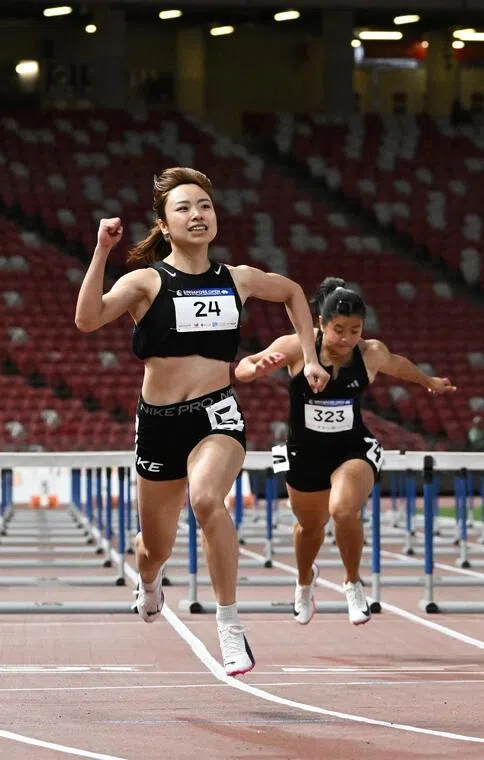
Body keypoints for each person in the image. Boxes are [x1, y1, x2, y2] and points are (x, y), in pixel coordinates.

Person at [74, 167, 328, 677]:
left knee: (208, 499)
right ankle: (149, 582)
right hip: (159, 422)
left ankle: (229, 627)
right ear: (165, 226)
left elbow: (296, 292)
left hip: (216, 412)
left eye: (205, 206)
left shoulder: (237, 279)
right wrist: (102, 250)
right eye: (184, 208)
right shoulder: (146, 280)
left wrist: (312, 357)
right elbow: (87, 318)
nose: (197, 215)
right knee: (154, 547)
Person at [235, 277, 455, 625]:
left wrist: (429, 382)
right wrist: (255, 369)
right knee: (310, 527)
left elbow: (398, 364)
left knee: (343, 510)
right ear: (321, 324)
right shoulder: (296, 348)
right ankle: (305, 581)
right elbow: (243, 367)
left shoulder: (370, 353)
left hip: (351, 448)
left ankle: (352, 582)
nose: (347, 338)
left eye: (355, 330)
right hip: (304, 453)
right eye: (339, 329)